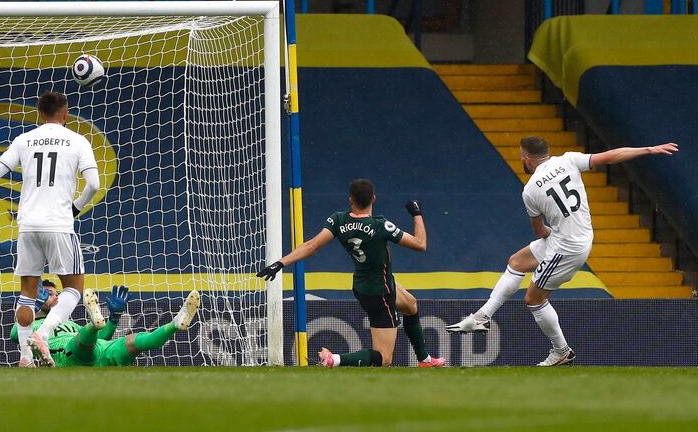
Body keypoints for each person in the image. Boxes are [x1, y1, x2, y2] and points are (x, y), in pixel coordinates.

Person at [446, 137, 678, 366]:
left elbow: (539, 231)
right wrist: (647, 149)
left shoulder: (530, 191)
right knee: (517, 262)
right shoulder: (569, 160)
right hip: (577, 235)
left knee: (534, 300)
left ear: (527, 159)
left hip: (567, 246)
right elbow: (610, 156)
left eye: (521, 157)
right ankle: (482, 317)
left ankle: (562, 351)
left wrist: (551, 230)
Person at [0, 91, 100, 367]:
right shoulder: (78, 140)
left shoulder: (24, 140)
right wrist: (75, 207)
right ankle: (44, 334)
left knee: (28, 291)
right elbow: (94, 184)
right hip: (58, 224)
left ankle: (25, 356)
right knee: (74, 288)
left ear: (40, 113)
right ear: (65, 114)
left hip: (27, 226)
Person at [257, 179, 445, 368]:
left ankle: (425, 360)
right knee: (384, 358)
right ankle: (334, 359)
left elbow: (311, 245)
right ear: (373, 198)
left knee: (411, 304)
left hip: (364, 285)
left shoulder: (338, 220)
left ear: (350, 200)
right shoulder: (380, 225)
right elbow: (420, 244)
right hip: (380, 292)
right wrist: (417, 213)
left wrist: (280, 263)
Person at [10, 282, 201, 367]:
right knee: (81, 342)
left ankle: (176, 323)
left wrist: (114, 318)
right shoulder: (30, 325)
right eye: (48, 293)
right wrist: (32, 306)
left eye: (55, 293)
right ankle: (93, 324)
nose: (54, 296)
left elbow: (103, 338)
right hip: (68, 356)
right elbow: (14, 334)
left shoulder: (67, 322)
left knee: (136, 340)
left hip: (100, 351)